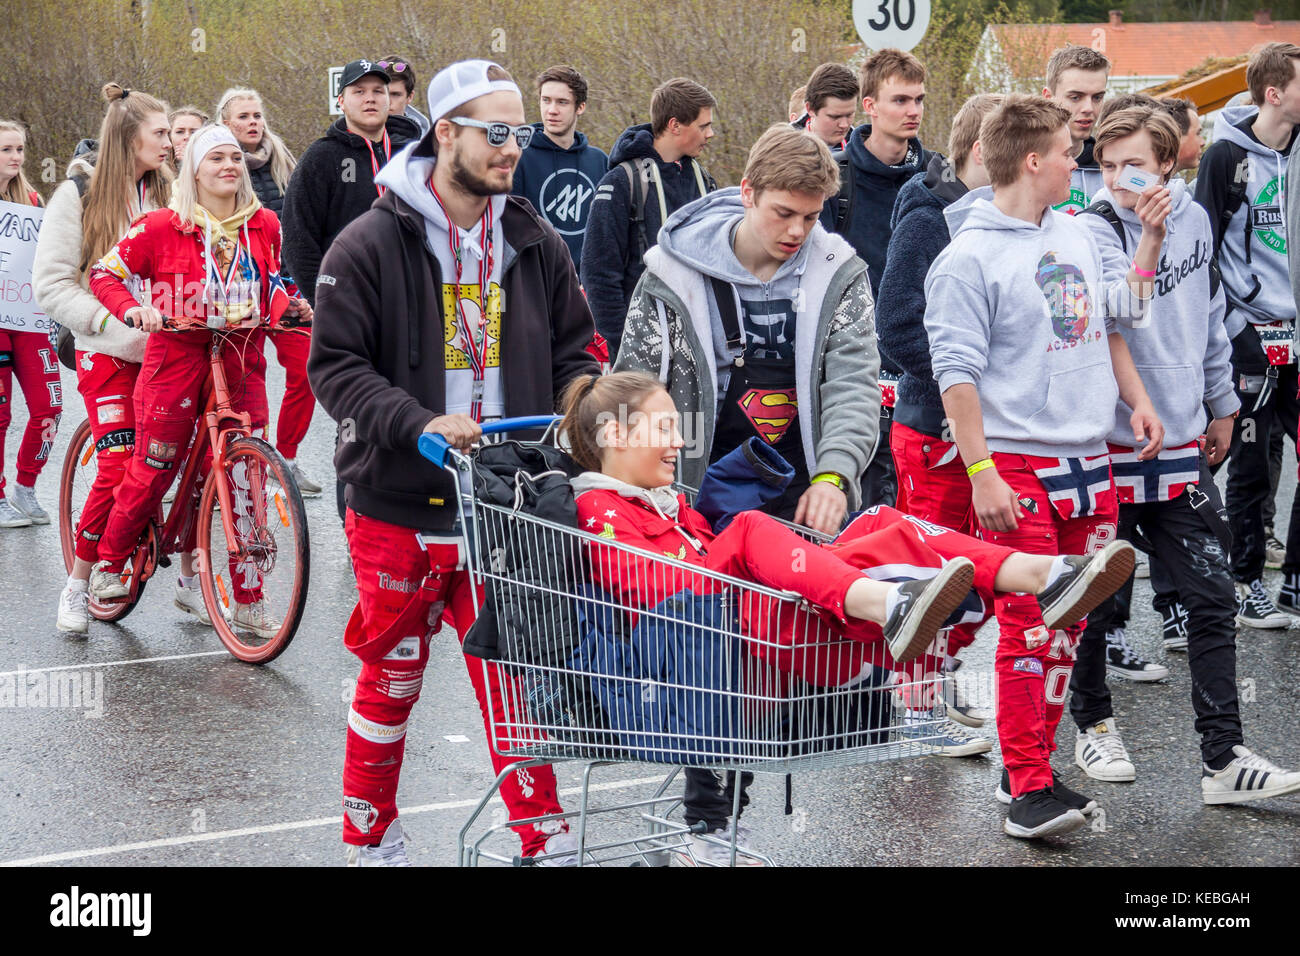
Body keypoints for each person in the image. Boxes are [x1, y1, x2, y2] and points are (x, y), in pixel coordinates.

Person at [563, 371, 1134, 862]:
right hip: (690, 657)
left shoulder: (675, 505)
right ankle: (890, 604)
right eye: (662, 428)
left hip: (756, 641)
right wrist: (751, 569)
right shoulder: (596, 508)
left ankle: (1044, 577)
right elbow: (657, 591)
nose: (676, 442)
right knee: (751, 529)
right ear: (613, 434)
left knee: (884, 522)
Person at [307, 59, 600, 866]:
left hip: (508, 501)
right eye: (496, 131)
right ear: (446, 133)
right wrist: (417, 421)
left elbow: (579, 346)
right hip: (399, 499)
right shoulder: (368, 239)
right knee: (393, 679)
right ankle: (369, 836)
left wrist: (583, 396)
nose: (514, 147)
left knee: (515, 679)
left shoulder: (532, 236)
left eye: (520, 132)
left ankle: (541, 838)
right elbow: (333, 367)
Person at [924, 94, 1163, 839]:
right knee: (1029, 628)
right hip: (1019, 467)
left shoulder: (1081, 232)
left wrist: (1150, 239)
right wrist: (981, 471)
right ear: (1032, 160)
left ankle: (1026, 765)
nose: (1078, 160)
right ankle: (1028, 788)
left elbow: (1121, 311)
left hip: (1093, 464)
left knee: (1068, 628)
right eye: (1066, 149)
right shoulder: (965, 257)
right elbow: (954, 374)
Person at [1071, 105, 1300, 804]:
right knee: (1091, 602)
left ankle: (1224, 758)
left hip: (1180, 444)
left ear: (1168, 163)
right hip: (1107, 444)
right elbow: (1122, 315)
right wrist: (1147, 232)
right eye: (1107, 167)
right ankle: (1093, 721)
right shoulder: (1092, 227)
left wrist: (1223, 405)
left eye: (1133, 165)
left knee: (1209, 593)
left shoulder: (1195, 220)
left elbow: (1203, 315)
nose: (1118, 179)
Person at [82, 124, 311, 643]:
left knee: (243, 479)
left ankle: (249, 602)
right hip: (177, 360)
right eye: (217, 159)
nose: (230, 166)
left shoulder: (265, 223)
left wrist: (289, 305)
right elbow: (104, 274)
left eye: (236, 158)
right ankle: (110, 564)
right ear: (195, 170)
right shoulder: (163, 225)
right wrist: (134, 310)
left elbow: (276, 278)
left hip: (241, 359)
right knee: (153, 466)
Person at [615, 124, 875, 537]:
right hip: (695, 480)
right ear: (748, 192)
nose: (797, 232)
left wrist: (835, 476)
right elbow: (632, 387)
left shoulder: (839, 274)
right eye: (784, 213)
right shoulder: (671, 275)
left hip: (805, 481)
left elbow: (853, 385)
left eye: (811, 216)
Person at [877, 92, 1002, 730]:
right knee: (933, 571)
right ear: (984, 151)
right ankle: (914, 702)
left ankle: (938, 682)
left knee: (977, 573)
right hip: (931, 426)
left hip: (983, 430)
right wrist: (963, 388)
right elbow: (896, 326)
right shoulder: (928, 220)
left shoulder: (1005, 223)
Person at [33, 84, 175, 633]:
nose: (169, 143)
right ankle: (79, 581)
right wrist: (108, 321)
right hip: (104, 351)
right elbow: (50, 285)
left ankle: (194, 577)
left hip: (169, 351)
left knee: (176, 462)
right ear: (127, 137)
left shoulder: (172, 194)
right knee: (118, 466)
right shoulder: (77, 194)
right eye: (159, 133)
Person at [1195, 42, 1300, 627]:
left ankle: (1294, 584)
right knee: (1250, 465)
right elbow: (1202, 250)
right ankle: (1242, 583)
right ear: (1274, 92)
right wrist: (1236, 332)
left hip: (1299, 332)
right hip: (1251, 334)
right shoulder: (1225, 157)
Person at [820, 47, 933, 510]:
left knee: (920, 514)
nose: (913, 111)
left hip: (922, 373)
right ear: (870, 105)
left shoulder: (936, 177)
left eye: (920, 100)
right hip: (857, 371)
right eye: (901, 100)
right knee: (867, 511)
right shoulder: (835, 180)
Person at [215, 87, 319, 497]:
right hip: (238, 289)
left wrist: (303, 283)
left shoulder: (283, 160)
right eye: (243, 116)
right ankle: (237, 460)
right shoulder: (215, 165)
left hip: (284, 285)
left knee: (309, 366)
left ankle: (285, 458)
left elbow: (300, 226)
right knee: (240, 379)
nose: (253, 123)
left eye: (257, 115)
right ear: (225, 124)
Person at [581, 77, 717, 357]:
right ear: (675, 125)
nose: (711, 133)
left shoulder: (705, 182)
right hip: (640, 350)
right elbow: (598, 274)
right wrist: (626, 345)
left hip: (699, 346)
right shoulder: (621, 182)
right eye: (703, 126)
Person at [281, 58, 421, 309]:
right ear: (341, 102)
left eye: (379, 91)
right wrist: (325, 302)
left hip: (410, 299)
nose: (370, 98)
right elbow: (298, 240)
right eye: (359, 91)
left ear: (389, 100)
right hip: (347, 302)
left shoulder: (413, 156)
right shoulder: (322, 157)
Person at [0, 120, 59, 530]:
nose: (16, 157)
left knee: (49, 407)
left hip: (29, 316)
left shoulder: (32, 199)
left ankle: (25, 484)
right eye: (7, 150)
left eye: (20, 149)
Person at [511, 64, 609, 267]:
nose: (551, 110)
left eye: (562, 102)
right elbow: (510, 228)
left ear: (580, 107)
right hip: (534, 279)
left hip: (585, 287)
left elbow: (607, 233)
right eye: (546, 100)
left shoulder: (599, 162)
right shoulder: (517, 155)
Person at [1042, 45, 1110, 215]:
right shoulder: (1018, 167)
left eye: (1097, 97)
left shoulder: (1112, 168)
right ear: (1048, 98)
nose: (1088, 108)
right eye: (1075, 97)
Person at [794, 63, 857, 150]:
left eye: (849, 115)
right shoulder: (781, 150)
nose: (844, 125)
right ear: (810, 109)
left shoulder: (866, 151)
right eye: (835, 117)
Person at [380, 56, 430, 137]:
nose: (387, 101)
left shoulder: (426, 144)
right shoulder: (353, 138)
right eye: (380, 92)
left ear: (410, 97)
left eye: (395, 94)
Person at [167, 106, 208, 172]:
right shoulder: (156, 168)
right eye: (180, 132)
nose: (187, 137)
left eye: (194, 132)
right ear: (170, 136)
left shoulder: (215, 164)